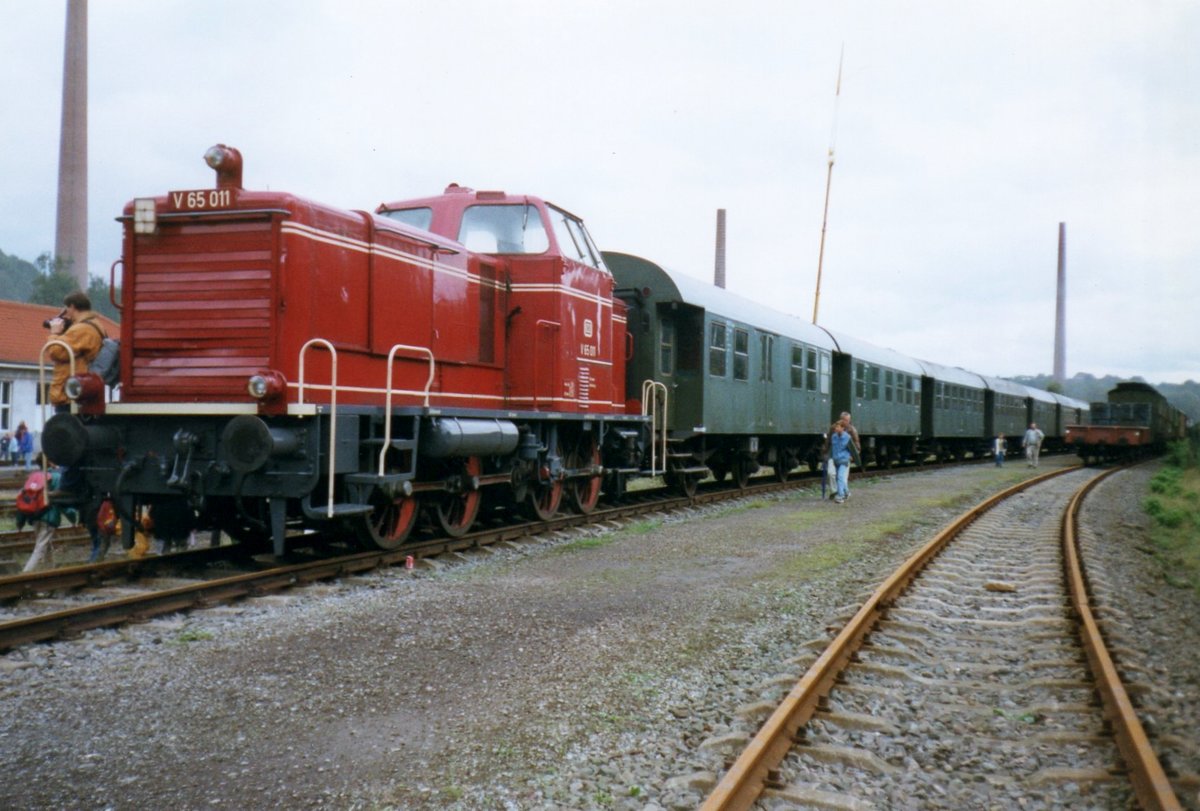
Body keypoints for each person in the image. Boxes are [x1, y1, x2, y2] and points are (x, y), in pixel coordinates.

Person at [44, 290, 105, 413]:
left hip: (70, 392)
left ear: (72, 307)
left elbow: (56, 351)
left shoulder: (81, 329)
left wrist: (55, 333)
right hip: (81, 387)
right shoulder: (95, 324)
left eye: (66, 309)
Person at [19, 465, 78, 572]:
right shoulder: (58, 479)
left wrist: (20, 523)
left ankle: (50, 569)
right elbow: (63, 504)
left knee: (45, 543)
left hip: (34, 516)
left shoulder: (36, 477)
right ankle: (25, 572)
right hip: (49, 518)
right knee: (40, 548)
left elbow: (25, 499)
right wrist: (73, 520)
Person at [829, 421, 854, 504]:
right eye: (836, 427)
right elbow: (832, 448)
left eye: (838, 427)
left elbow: (852, 449)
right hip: (836, 460)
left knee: (840, 476)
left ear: (843, 428)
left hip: (844, 460)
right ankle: (847, 492)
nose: (836, 428)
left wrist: (851, 456)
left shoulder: (847, 437)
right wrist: (828, 457)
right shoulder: (833, 437)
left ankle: (840, 496)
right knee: (839, 478)